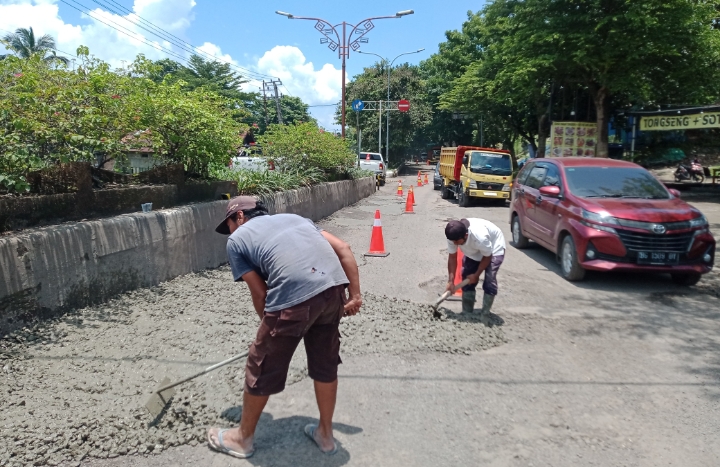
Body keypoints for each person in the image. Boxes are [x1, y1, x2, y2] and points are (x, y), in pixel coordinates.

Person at [207, 196, 362, 459]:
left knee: (261, 363)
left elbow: (260, 294)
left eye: (230, 224)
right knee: (325, 362)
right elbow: (344, 248)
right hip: (333, 289)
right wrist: (355, 295)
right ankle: (325, 434)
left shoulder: (237, 240)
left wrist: (266, 338)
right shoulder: (296, 219)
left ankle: (242, 439)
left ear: (240, 216)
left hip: (295, 297)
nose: (230, 232)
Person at [444, 218, 506, 317]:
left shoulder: (479, 237)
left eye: (457, 242)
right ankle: (467, 312)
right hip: (474, 250)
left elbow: (487, 256)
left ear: (466, 235)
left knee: (490, 279)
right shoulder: (453, 235)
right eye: (453, 241)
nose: (455, 244)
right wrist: (450, 281)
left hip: (493, 248)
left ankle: (485, 313)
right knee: (467, 275)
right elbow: (452, 257)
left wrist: (477, 274)